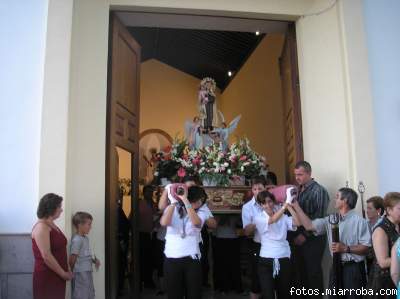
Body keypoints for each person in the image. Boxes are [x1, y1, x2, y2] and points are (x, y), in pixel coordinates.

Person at [293, 187, 371, 299]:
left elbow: (366, 248)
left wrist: (346, 249)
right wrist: (295, 205)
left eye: (337, 197)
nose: (335, 200)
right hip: (335, 266)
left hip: (353, 269)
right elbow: (309, 225)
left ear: (345, 201)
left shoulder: (360, 222)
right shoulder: (331, 219)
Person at [160, 185, 210, 299]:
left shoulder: (201, 212)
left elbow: (196, 222)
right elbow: (164, 223)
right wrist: (173, 203)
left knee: (194, 294)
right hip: (172, 258)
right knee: (174, 294)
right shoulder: (172, 208)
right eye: (200, 200)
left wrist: (185, 200)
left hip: (191, 259)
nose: (201, 202)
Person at [289, 161, 329, 298]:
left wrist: (305, 235)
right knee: (301, 274)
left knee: (313, 274)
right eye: (295, 175)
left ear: (309, 173)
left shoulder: (319, 191)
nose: (297, 177)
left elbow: (319, 218)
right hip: (298, 237)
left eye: (300, 174)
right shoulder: (298, 189)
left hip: (313, 239)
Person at [255, 191, 300, 299]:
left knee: (284, 293)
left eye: (270, 201)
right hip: (266, 259)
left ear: (273, 202)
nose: (268, 205)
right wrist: (285, 205)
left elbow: (298, 223)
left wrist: (289, 205)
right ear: (261, 205)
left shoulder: (283, 216)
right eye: (264, 203)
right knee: (268, 294)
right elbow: (272, 220)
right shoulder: (259, 217)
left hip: (283, 257)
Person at [32, 193, 73, 299]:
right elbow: (46, 256)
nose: (61, 210)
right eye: (59, 206)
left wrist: (66, 269)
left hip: (57, 275)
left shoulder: (52, 224)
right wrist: (63, 274)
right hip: (47, 276)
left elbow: (60, 249)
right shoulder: (41, 227)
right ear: (51, 208)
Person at [367, 192, 400, 299]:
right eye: (399, 208)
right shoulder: (380, 230)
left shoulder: (398, 226)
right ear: (389, 210)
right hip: (383, 285)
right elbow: (383, 262)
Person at [241, 175, 267, 299]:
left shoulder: (273, 203)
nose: (257, 192)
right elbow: (247, 232)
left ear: (266, 189)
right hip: (257, 244)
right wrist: (259, 220)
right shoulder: (247, 207)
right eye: (254, 189)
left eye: (260, 189)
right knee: (256, 277)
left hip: (274, 245)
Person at [69, 211, 100, 299]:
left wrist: (95, 260)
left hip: (87, 271)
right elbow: (72, 258)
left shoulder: (85, 239)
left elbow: (86, 254)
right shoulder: (77, 240)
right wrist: (70, 271)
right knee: (81, 294)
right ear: (80, 225)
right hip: (80, 273)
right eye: (89, 224)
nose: (90, 227)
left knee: (89, 293)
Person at [213, 214, 243, 294]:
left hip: (233, 237)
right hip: (220, 238)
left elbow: (241, 222)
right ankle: (223, 287)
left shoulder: (236, 207)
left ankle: (236, 287)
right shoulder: (215, 207)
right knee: (222, 264)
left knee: (234, 264)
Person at [139, 185, 156, 289]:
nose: (150, 194)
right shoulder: (139, 204)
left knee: (151, 259)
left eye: (151, 192)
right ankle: (140, 281)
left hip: (153, 235)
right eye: (148, 192)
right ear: (144, 193)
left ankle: (149, 280)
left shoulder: (155, 204)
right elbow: (132, 218)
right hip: (142, 234)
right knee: (142, 259)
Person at [366, 196, 385, 273]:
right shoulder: (366, 224)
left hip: (381, 266)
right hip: (369, 263)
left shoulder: (384, 225)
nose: (367, 211)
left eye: (370, 208)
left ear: (379, 210)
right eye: (367, 208)